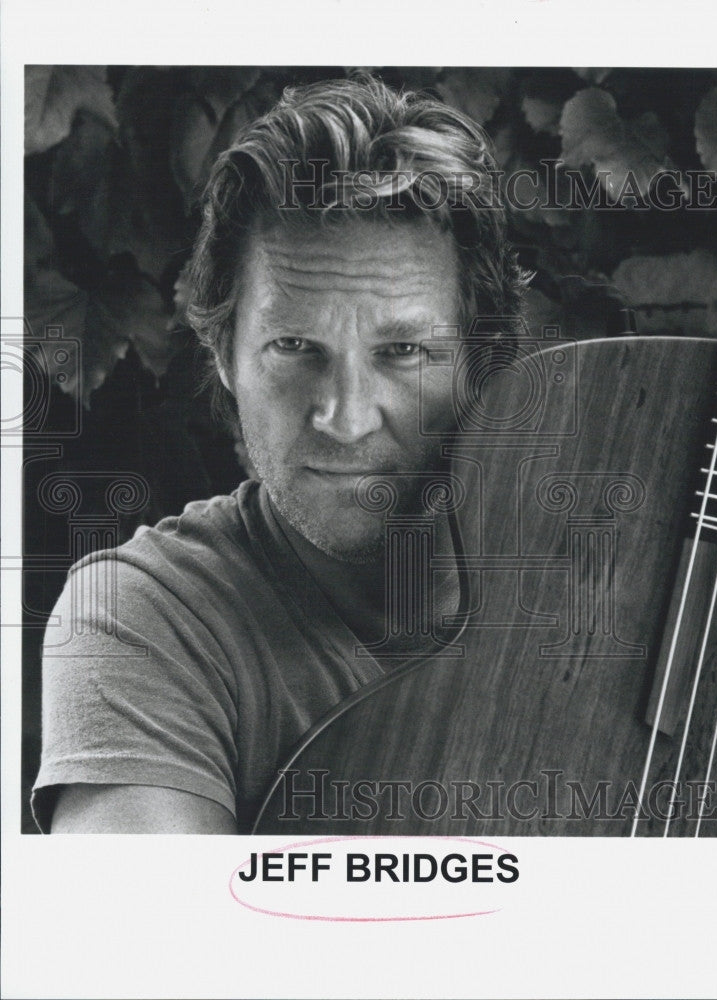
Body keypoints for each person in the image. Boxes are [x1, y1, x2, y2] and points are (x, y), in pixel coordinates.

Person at [32, 74, 530, 833]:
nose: (344, 417)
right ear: (224, 353)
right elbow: (134, 945)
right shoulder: (144, 619)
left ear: (483, 360)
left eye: (402, 351)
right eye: (294, 346)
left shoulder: (625, 570)